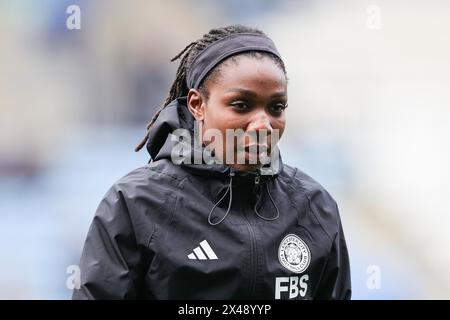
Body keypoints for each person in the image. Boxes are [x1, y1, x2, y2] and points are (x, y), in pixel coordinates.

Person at [72, 25, 351, 300]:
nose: (263, 124)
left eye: (276, 107)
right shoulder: (136, 204)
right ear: (197, 105)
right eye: (241, 105)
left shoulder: (315, 207)